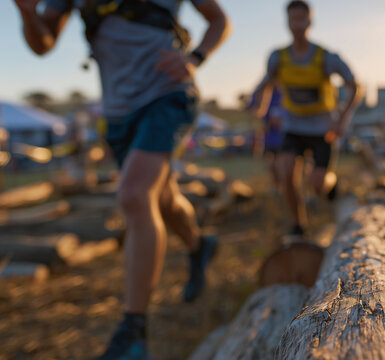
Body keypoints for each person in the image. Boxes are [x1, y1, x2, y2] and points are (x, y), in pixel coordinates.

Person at [13, 0, 231, 358]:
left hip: (168, 96)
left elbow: (219, 18)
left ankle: (133, 333)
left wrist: (195, 58)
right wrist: (26, 12)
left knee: (133, 195)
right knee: (161, 198)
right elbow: (43, 44)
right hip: (118, 113)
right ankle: (198, 245)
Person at [251, 0, 362, 236]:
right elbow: (266, 83)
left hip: (322, 129)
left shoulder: (326, 57)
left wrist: (342, 119)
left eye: (302, 19)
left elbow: (355, 87)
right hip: (293, 127)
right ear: (287, 22)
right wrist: (259, 102)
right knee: (285, 171)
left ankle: (331, 185)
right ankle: (298, 225)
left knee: (317, 184)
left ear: (310, 21)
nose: (297, 24)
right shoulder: (278, 57)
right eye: (293, 19)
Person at [248, 89, 284, 192]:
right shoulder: (263, 91)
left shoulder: (284, 92)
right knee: (271, 165)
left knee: (282, 165)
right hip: (269, 139)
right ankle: (276, 187)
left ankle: (284, 187)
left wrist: (281, 121)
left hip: (284, 138)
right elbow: (254, 112)